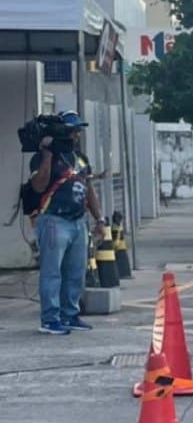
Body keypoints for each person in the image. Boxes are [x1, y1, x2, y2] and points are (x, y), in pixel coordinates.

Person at [27, 111, 105, 335]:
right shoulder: (42, 158)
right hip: (53, 219)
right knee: (52, 272)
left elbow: (88, 189)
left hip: (77, 221)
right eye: (71, 131)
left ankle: (69, 314)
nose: (76, 135)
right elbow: (39, 186)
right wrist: (48, 156)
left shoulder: (80, 159)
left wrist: (99, 218)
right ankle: (50, 318)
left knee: (75, 271)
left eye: (77, 131)